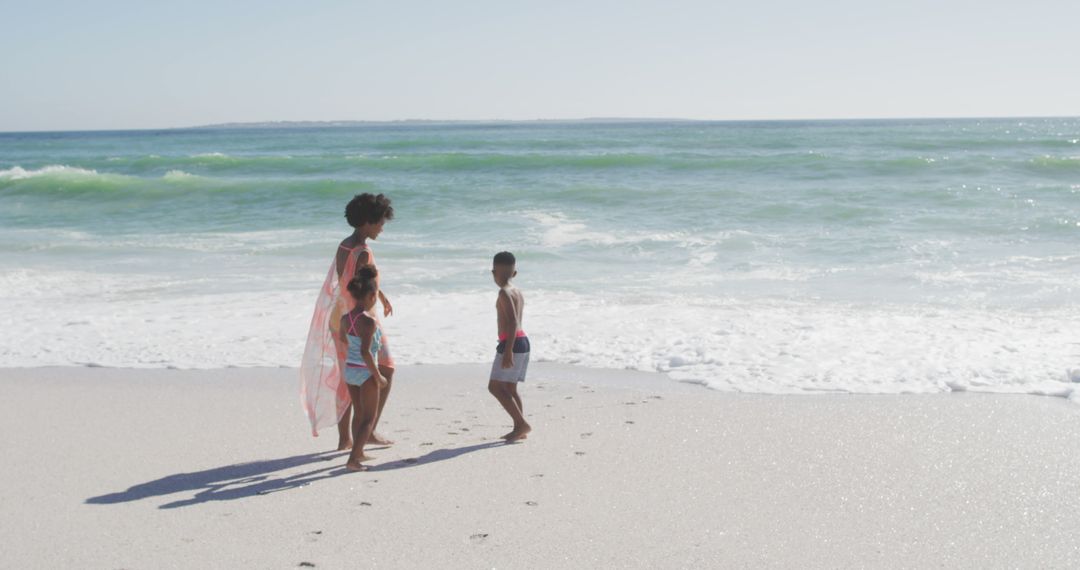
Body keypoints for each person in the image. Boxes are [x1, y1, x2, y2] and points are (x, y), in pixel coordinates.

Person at [300, 193, 396, 449]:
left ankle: (345, 439)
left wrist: (382, 294)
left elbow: (351, 281)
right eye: (380, 222)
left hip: (339, 316)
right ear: (368, 221)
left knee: (349, 374)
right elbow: (362, 285)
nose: (382, 228)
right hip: (360, 317)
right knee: (385, 369)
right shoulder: (363, 251)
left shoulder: (345, 245)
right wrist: (371, 307)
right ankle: (370, 429)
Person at [340, 266, 388, 471]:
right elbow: (366, 352)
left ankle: (358, 451)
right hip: (366, 371)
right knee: (369, 417)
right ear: (370, 296)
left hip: (350, 371)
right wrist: (378, 376)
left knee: (358, 415)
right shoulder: (368, 322)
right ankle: (353, 459)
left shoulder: (346, 318)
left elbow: (344, 340)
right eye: (376, 295)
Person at [486, 251, 532, 442]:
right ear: (515, 273)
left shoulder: (503, 292)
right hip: (523, 341)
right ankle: (519, 427)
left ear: (493, 272)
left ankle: (521, 424)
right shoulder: (517, 291)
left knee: (495, 387)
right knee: (510, 389)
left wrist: (507, 352)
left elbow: (512, 322)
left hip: (511, 343)